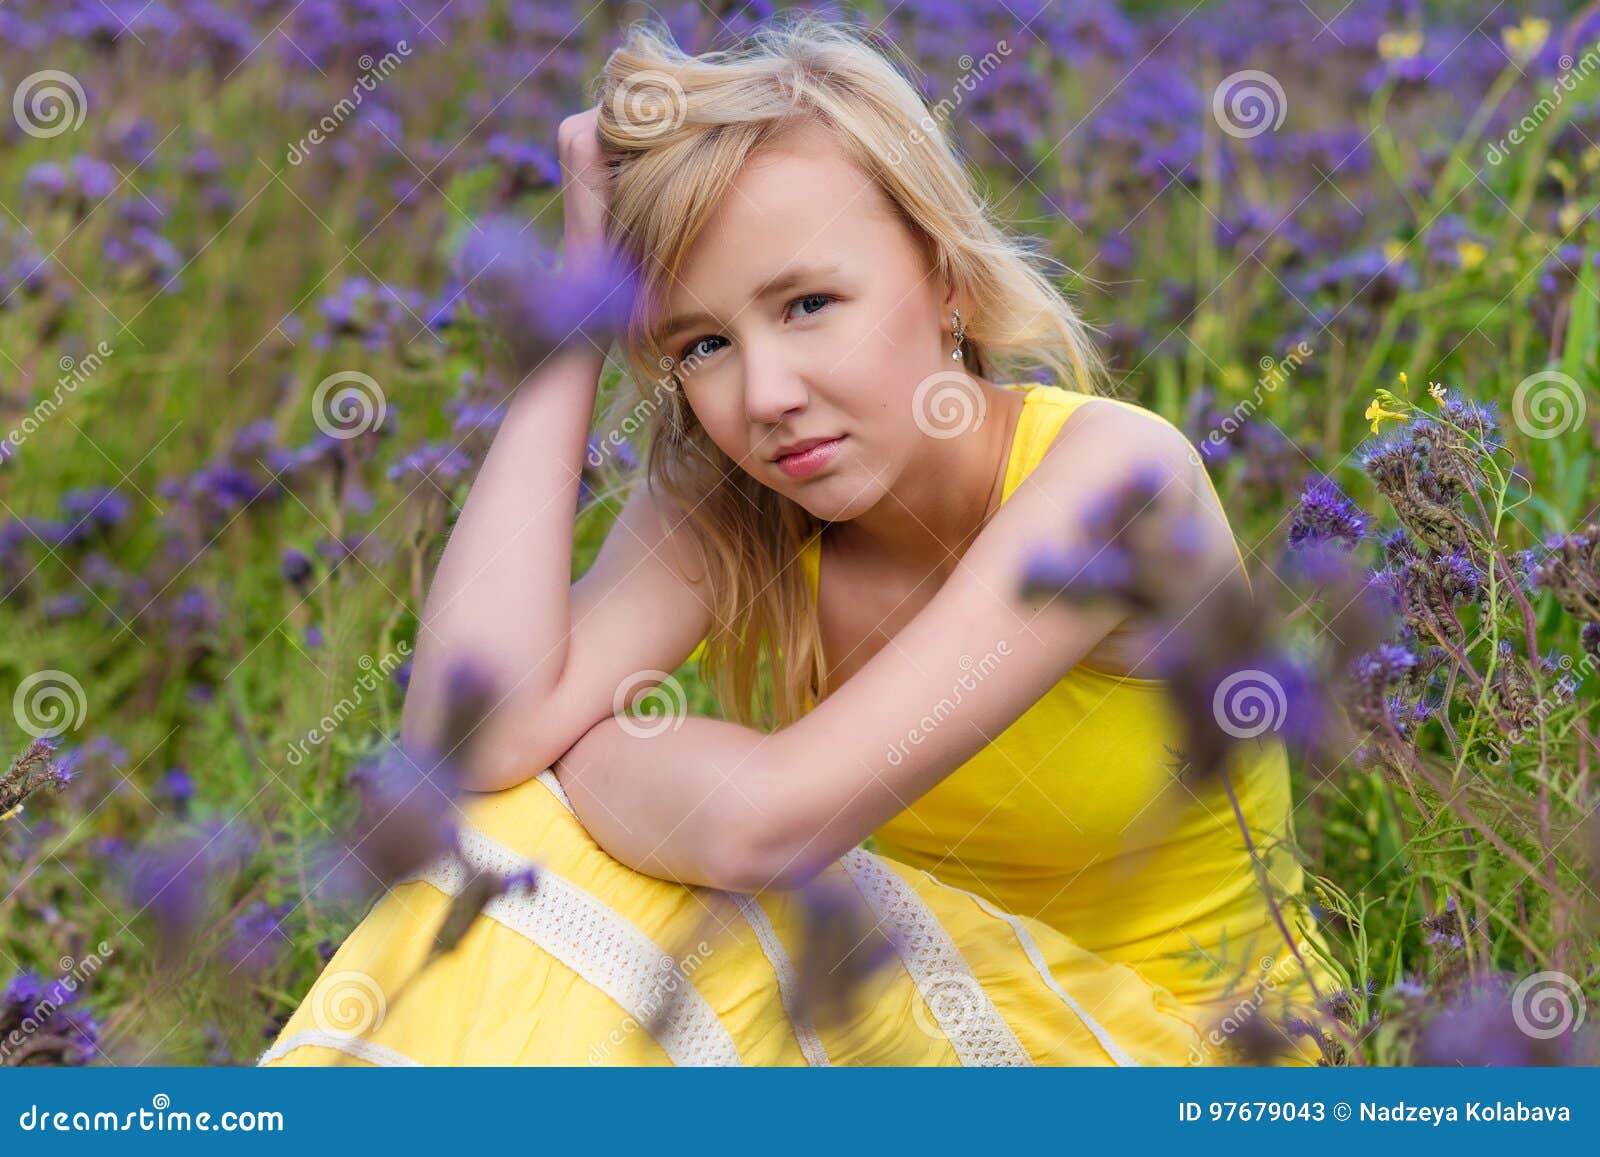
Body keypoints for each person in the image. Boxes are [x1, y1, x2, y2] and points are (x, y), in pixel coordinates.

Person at [261, 13, 1335, 1068]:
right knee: (501, 825)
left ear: (945, 276)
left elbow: (766, 827)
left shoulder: (1113, 480)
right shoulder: (739, 491)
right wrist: (574, 319)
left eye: (810, 302)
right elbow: (470, 742)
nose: (767, 394)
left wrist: (600, 753)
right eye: (705, 342)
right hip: (911, 1011)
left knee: (575, 834)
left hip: (1197, 1056)